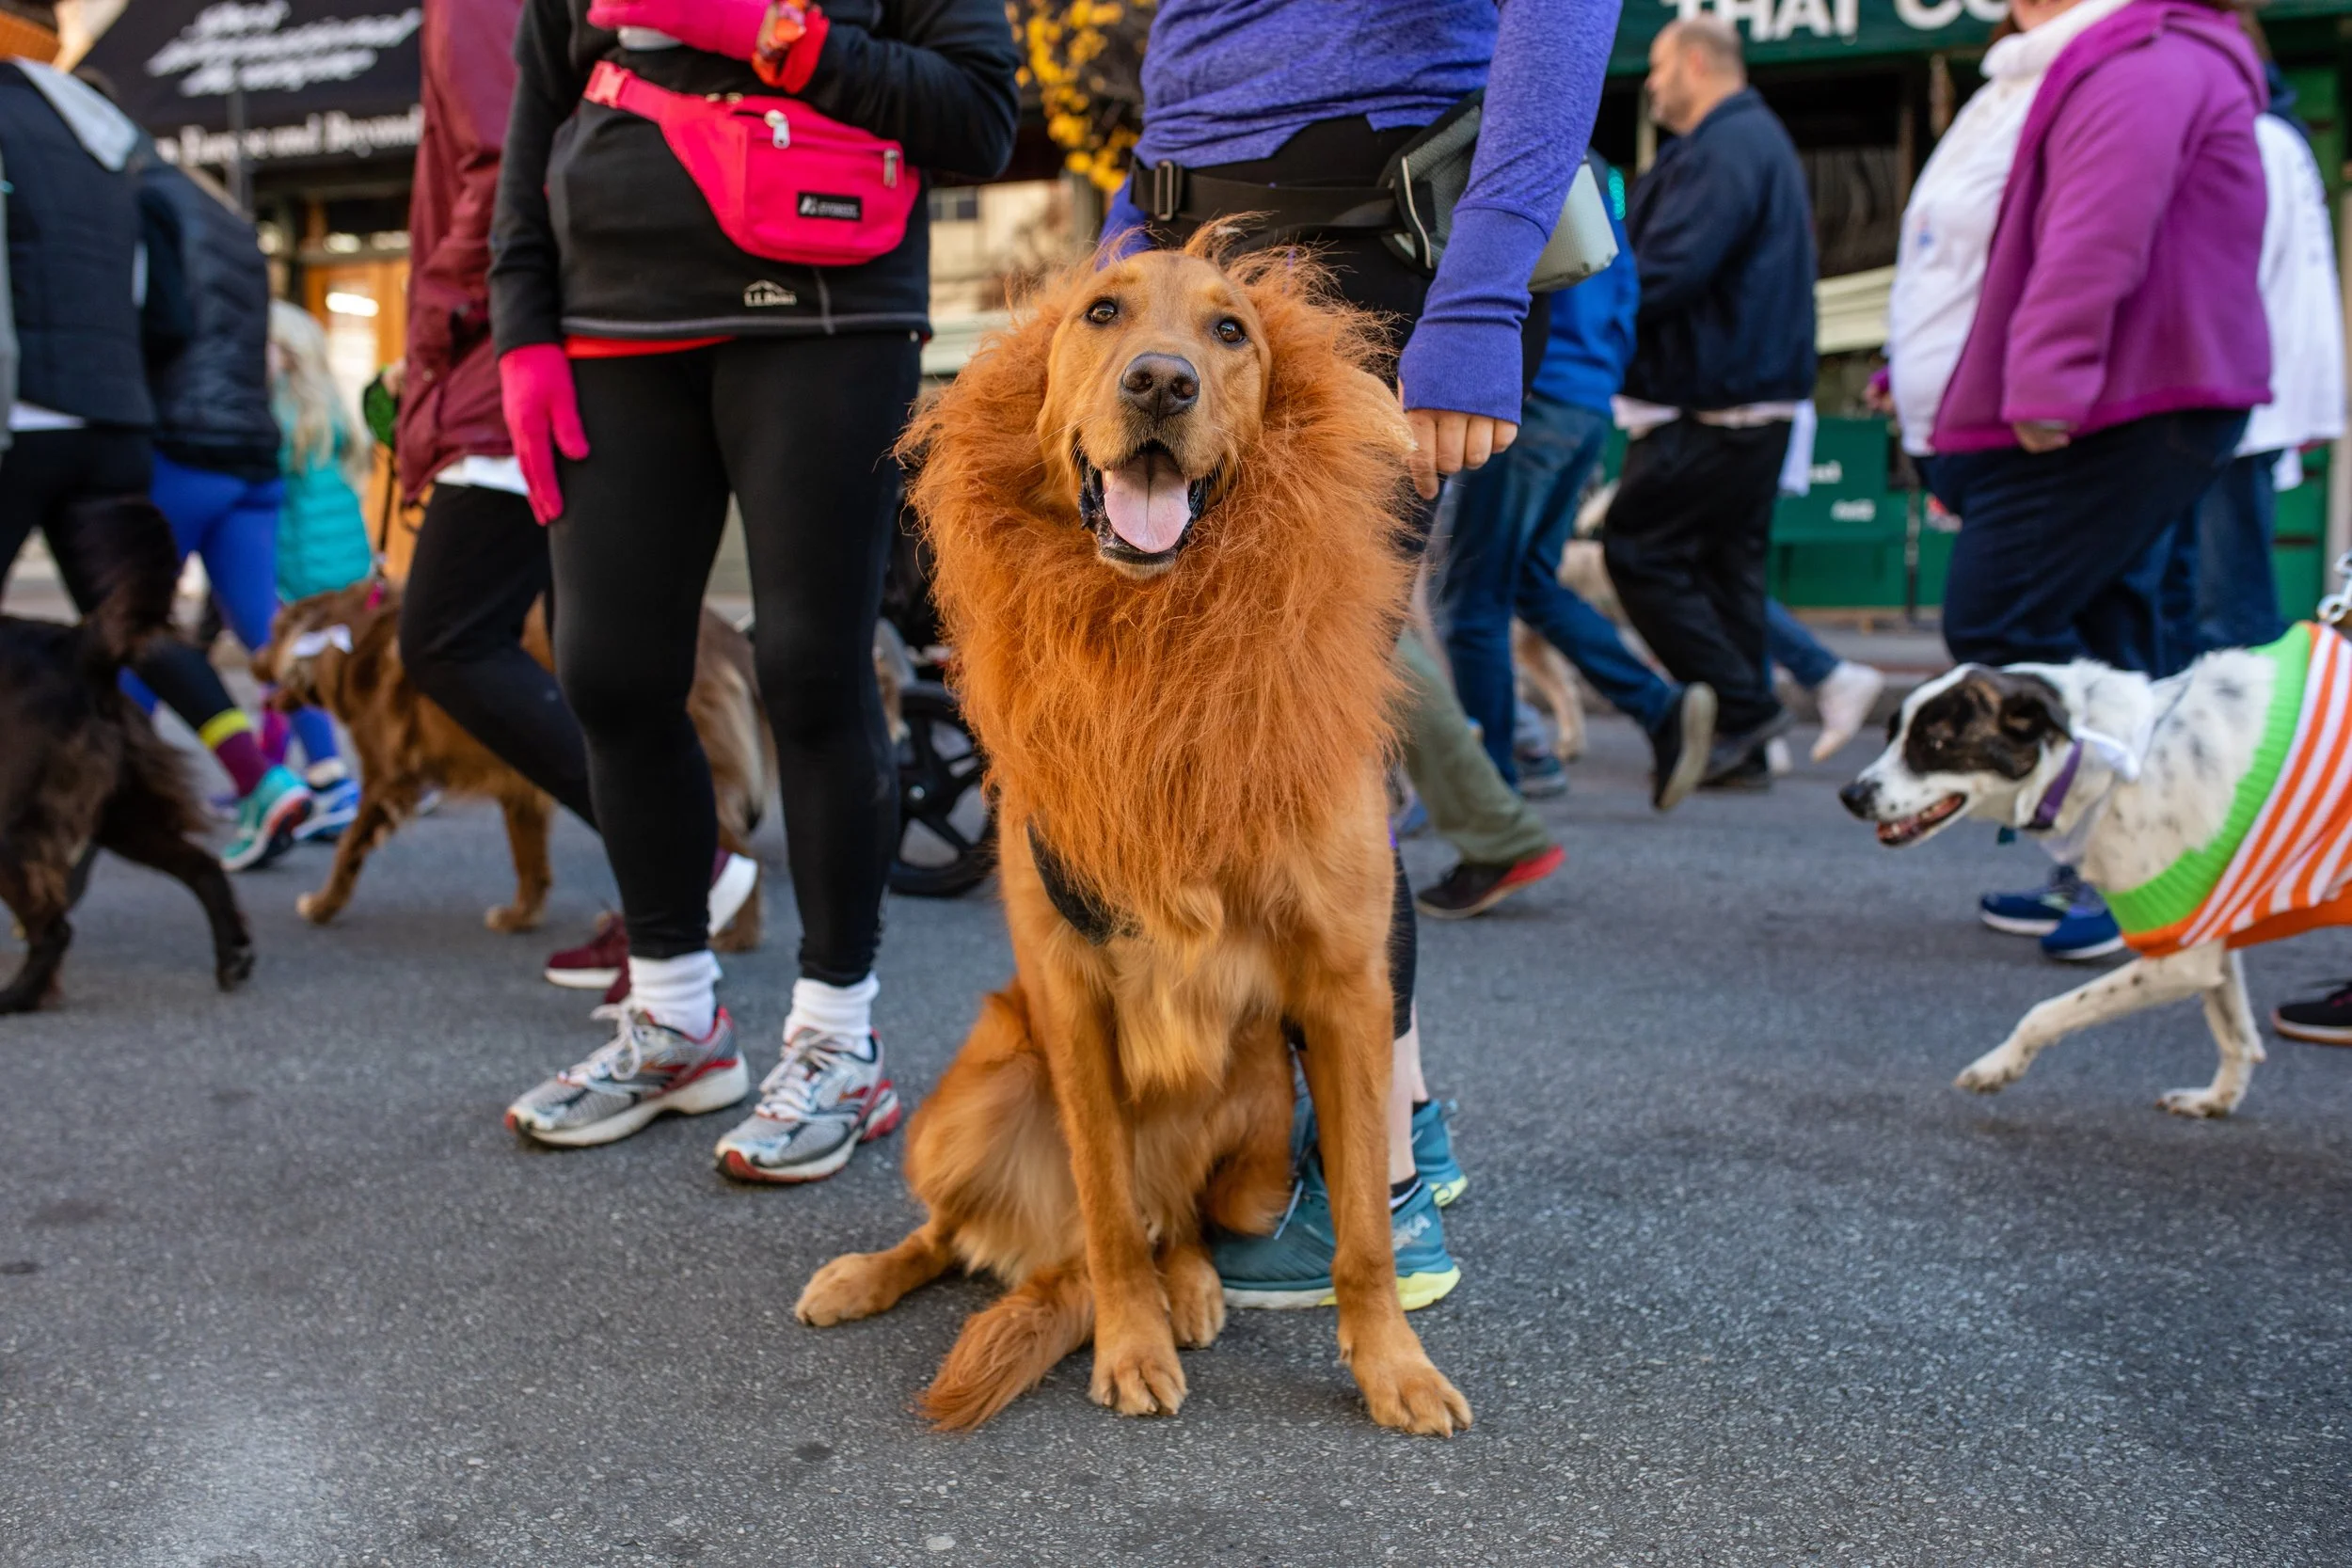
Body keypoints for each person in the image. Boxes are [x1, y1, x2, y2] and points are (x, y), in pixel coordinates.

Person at [1104, 0, 1615, 1306]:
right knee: (1300, 745)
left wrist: (1482, 290)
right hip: (1204, 254)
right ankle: (1404, 1123)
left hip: (1366, 252)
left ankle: (1371, 1191)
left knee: (1301, 759)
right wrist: (1130, 226)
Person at [488, 0, 1019, 1175]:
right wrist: (520, 332)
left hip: (827, 316)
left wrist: (760, 31)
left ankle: (839, 1039)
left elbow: (979, 118)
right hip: (608, 327)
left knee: (815, 674)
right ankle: (676, 1018)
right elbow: (535, 120)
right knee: (612, 677)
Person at [1917, 0, 2267, 961]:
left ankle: (2142, 867)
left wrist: (2043, 381)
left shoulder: (2142, 58)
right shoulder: (2145, 54)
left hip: (2118, 399)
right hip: (2132, 395)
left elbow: (2095, 231)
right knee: (2112, 627)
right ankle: (2127, 872)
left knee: (1998, 619)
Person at [0, 55, 315, 868]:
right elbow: (167, 314)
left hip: (30, 409)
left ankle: (53, 806)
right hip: (122, 422)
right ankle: (261, 778)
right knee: (140, 625)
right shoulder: (116, 161)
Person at [1438, 150, 1718, 815]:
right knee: (1531, 581)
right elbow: (1624, 284)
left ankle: (1494, 801)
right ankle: (1660, 707)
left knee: (1472, 602)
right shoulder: (1599, 171)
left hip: (1532, 394)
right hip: (1586, 402)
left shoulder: (1507, 137)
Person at [1601, 18, 1817, 791]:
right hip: (1746, 399)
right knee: (1728, 572)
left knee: (1637, 547)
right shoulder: (1747, 141)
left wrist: (1599, 313)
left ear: (1698, 61)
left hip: (1717, 403)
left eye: (1659, 68)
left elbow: (1668, 269)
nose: (1650, 84)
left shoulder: (1727, 148)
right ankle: (1744, 738)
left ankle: (1747, 710)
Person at [2162, 73, 2344, 662]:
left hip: (2220, 403)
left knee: (2222, 614)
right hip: (2239, 400)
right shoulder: (2276, 140)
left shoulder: (2246, 139)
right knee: (2222, 603)